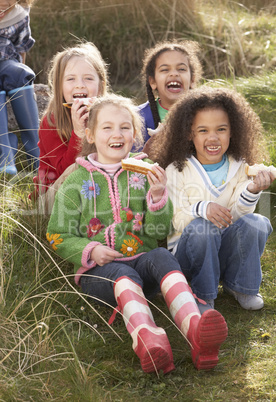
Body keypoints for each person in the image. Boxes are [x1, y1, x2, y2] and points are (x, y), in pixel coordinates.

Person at [46, 94, 228, 374]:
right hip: (99, 273)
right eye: (107, 128)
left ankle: (195, 328)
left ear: (134, 135)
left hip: (143, 262)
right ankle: (148, 339)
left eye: (125, 127)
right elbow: (57, 234)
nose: (116, 134)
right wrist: (91, 250)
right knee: (123, 275)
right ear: (90, 134)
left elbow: (161, 229)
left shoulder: (145, 174)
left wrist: (157, 196)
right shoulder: (76, 181)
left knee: (161, 256)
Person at [151, 86, 274, 312]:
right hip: (189, 256)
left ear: (232, 131)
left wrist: (253, 190)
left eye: (221, 129)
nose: (213, 137)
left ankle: (241, 286)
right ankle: (202, 294)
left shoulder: (240, 168)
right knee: (203, 228)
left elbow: (238, 216)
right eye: (203, 130)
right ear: (190, 133)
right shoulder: (176, 171)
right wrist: (201, 209)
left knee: (257, 223)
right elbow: (175, 221)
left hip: (224, 250)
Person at [31, 42, 109, 212]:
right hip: (54, 197)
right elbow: (61, 172)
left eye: (88, 78)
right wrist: (79, 133)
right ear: (59, 86)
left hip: (94, 190)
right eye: (71, 79)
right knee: (80, 167)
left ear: (101, 86)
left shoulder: (109, 116)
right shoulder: (51, 122)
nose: (80, 85)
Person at [138, 40, 202, 152]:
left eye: (181, 69)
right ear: (152, 81)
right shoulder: (138, 118)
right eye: (165, 70)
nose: (174, 74)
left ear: (192, 79)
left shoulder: (204, 114)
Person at [0, 0, 39, 175]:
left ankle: (37, 156)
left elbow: (22, 48)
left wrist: (22, 69)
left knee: (19, 73)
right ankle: (5, 158)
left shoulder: (19, 15)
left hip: (7, 63)